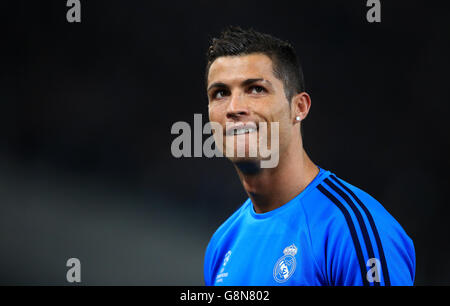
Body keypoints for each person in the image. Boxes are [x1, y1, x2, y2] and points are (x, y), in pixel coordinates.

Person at [203, 26, 415, 286]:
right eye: (220, 93)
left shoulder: (352, 230)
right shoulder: (221, 245)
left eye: (256, 89)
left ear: (299, 107)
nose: (234, 108)